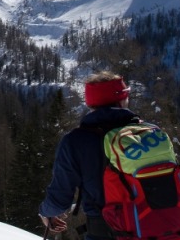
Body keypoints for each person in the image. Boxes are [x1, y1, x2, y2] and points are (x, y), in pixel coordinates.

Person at [38, 71, 139, 239]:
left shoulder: (76, 141)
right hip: (156, 228)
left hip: (106, 232)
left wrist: (46, 212)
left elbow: (59, 199)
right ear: (122, 100)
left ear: (91, 104)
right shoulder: (149, 134)